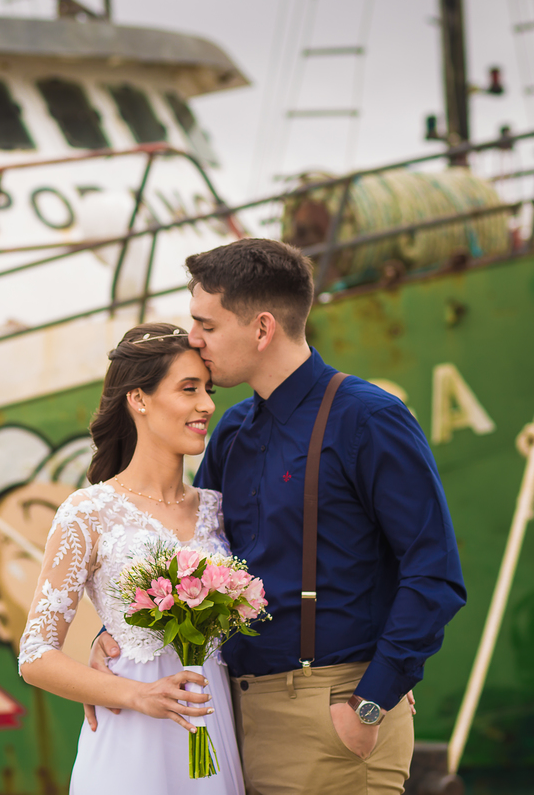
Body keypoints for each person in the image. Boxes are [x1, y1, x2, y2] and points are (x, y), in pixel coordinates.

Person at [87, 239, 466, 795]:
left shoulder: (368, 420)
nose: (194, 339)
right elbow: (191, 557)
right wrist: (115, 632)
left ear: (262, 329)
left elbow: (435, 573)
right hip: (229, 717)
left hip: (330, 717)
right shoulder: (232, 434)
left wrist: (372, 698)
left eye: (206, 325)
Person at [18, 323, 244, 794]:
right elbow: (36, 655)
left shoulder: (220, 510)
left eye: (208, 389)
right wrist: (136, 694)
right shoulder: (88, 513)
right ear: (139, 399)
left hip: (213, 729)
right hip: (131, 742)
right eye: (189, 389)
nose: (207, 404)